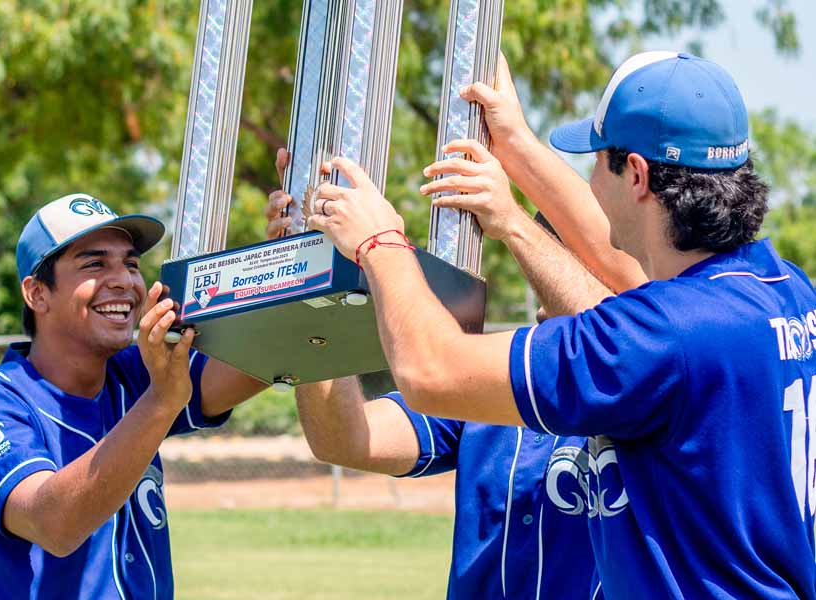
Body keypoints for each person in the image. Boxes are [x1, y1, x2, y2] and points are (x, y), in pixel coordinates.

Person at [305, 52, 816, 598]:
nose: (590, 183)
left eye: (597, 161)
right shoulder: (784, 291)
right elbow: (615, 262)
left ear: (637, 174)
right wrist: (516, 146)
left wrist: (379, 243)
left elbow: (428, 368)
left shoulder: (662, 335)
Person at [263, 51, 638, 597]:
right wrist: (312, 282)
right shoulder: (495, 374)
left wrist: (509, 220)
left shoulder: (663, 371)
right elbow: (343, 439)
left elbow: (616, 346)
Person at [0, 193, 265, 599]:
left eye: (130, 263)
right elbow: (52, 524)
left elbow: (264, 360)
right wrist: (161, 401)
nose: (124, 281)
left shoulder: (134, 374)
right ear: (37, 293)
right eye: (94, 264)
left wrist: (298, 255)